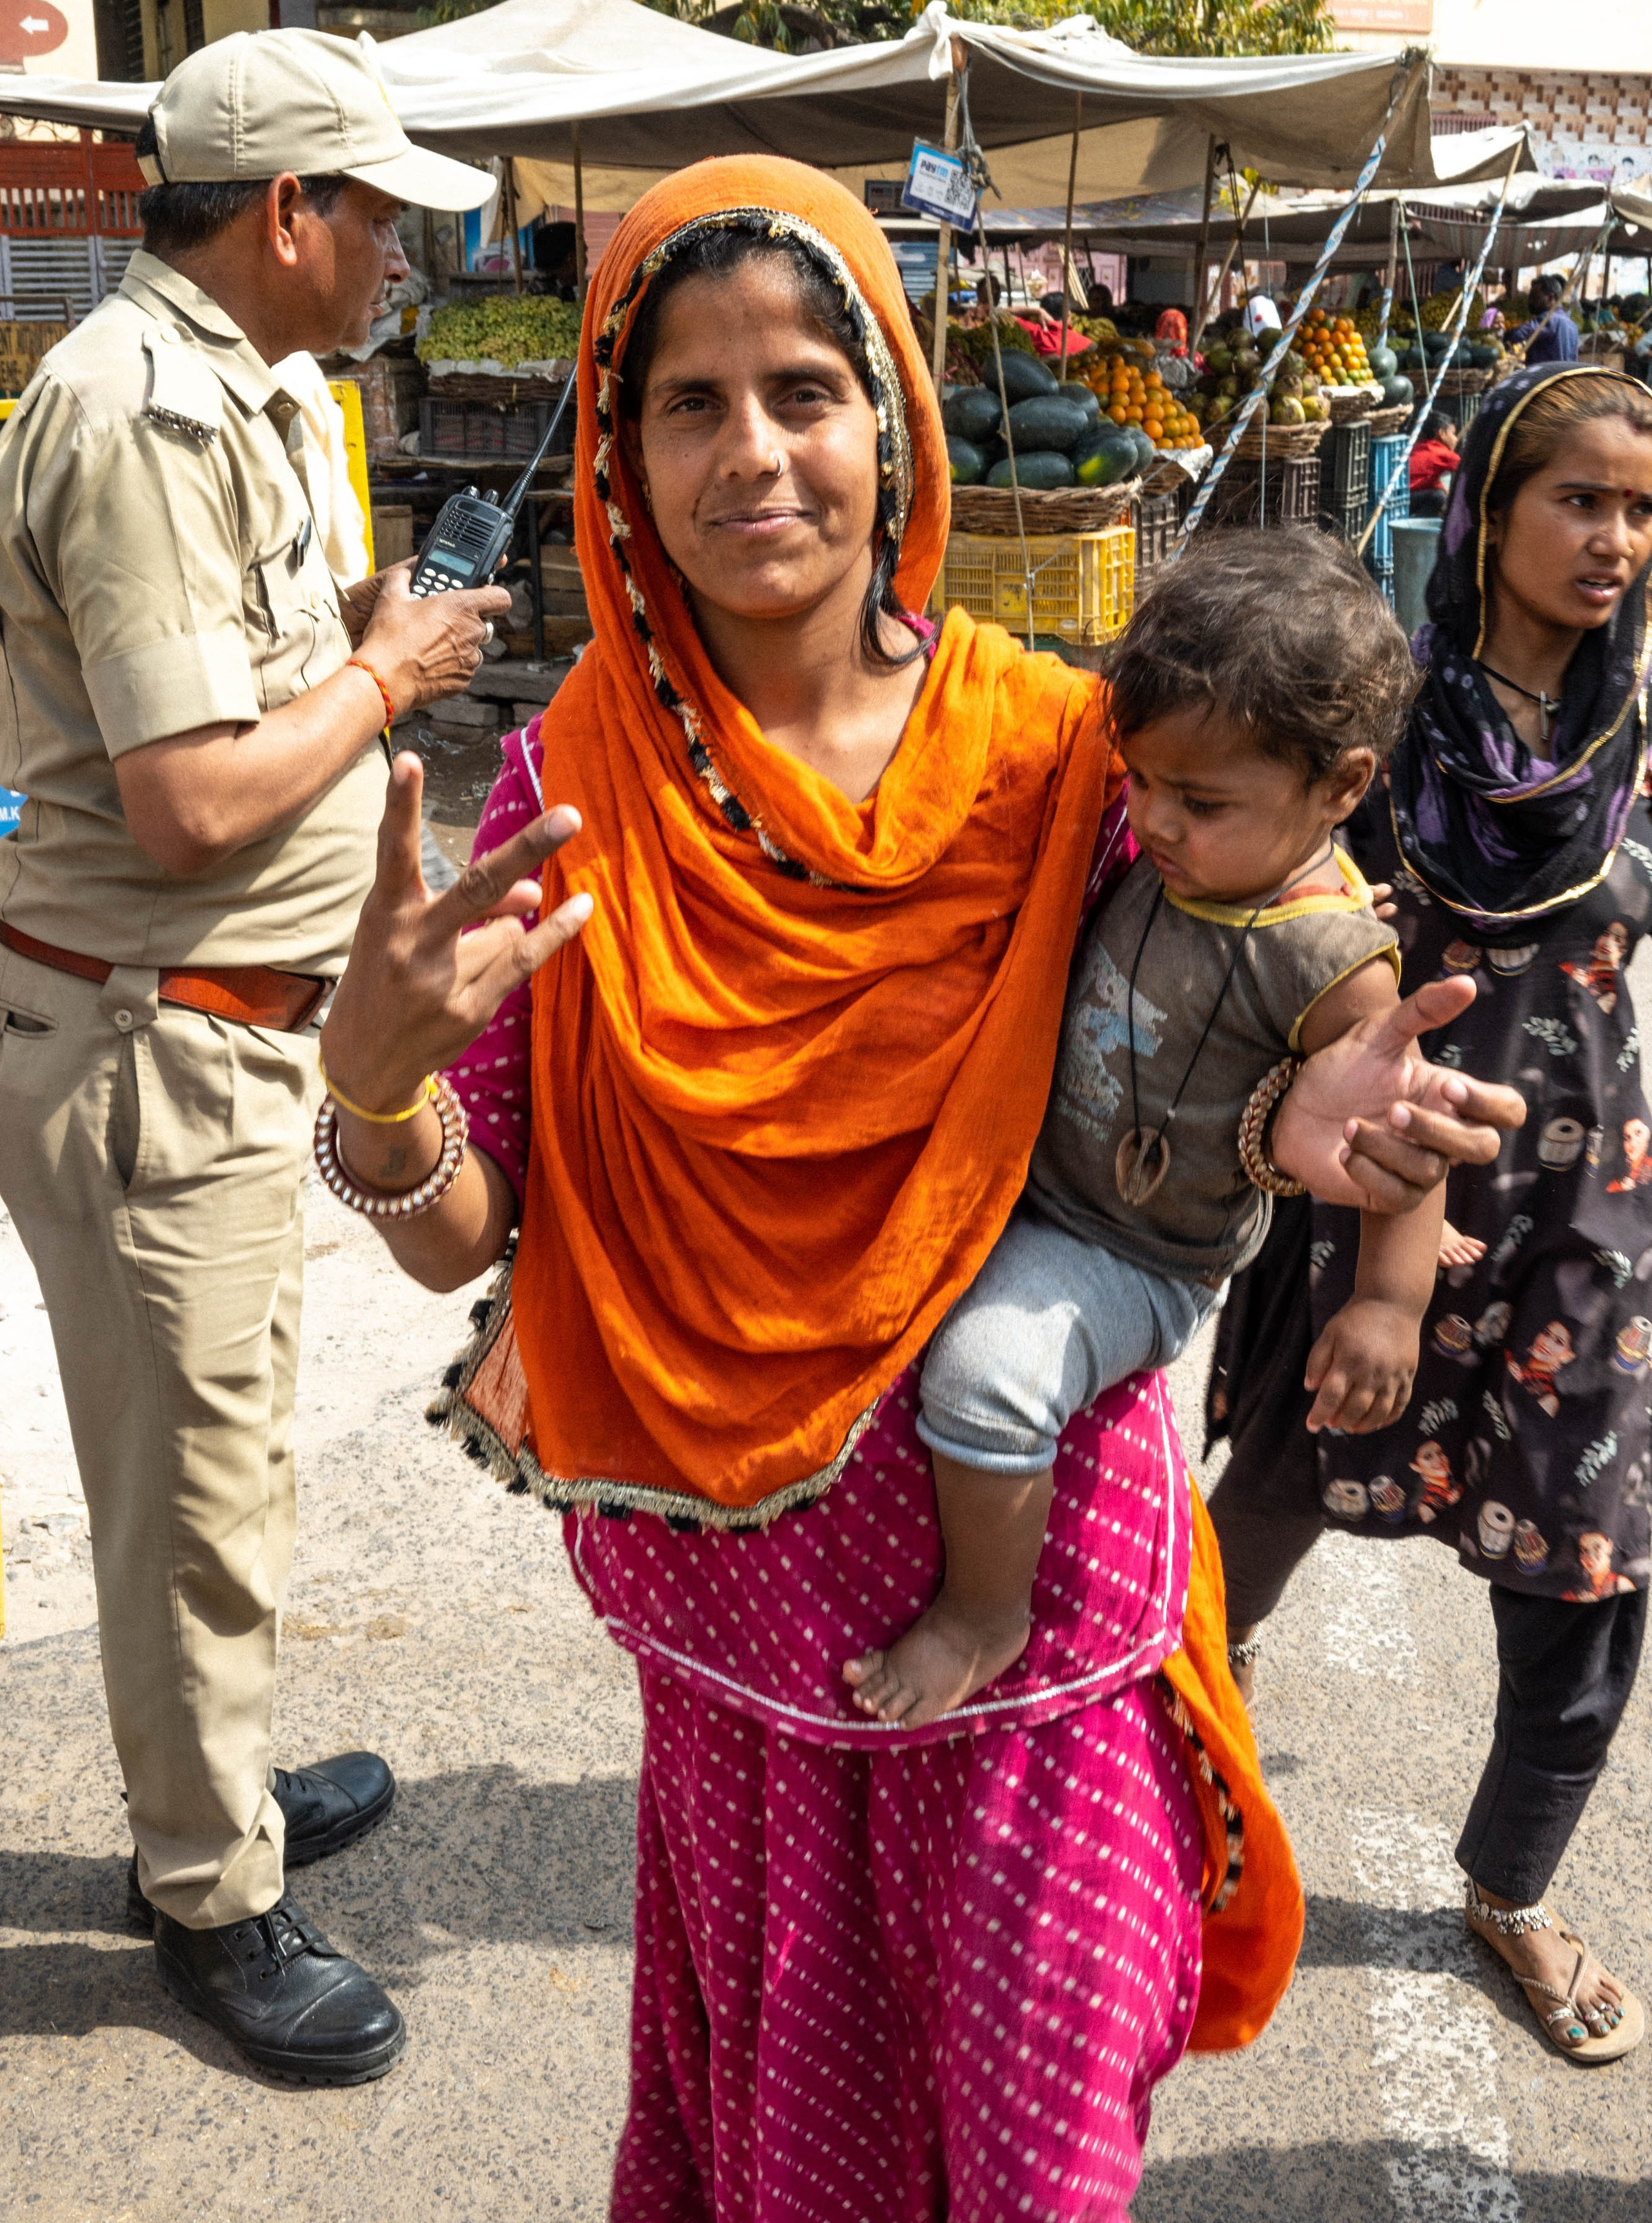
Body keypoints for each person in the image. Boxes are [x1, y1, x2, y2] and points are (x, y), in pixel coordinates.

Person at [314, 157, 1523, 2216]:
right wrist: (370, 1086)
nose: (751, 451)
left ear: (891, 421)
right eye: (686, 404)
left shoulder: (1063, 755)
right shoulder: (571, 789)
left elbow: (1256, 1004)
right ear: (617, 457)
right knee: (802, 2141)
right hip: (746, 1631)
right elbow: (471, 1234)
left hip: (1035, 1612)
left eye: (803, 387)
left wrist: (1300, 1123)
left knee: (1041, 2144)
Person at [0, 29, 504, 2083]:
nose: (400, 251)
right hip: (154, 1042)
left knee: (222, 1463)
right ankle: (209, 1889)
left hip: (224, 1040)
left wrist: (358, 635)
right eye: (378, 213)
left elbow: (241, 675)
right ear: (287, 211)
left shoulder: (254, 389)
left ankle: (211, 1784)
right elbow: (192, 800)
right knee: (190, 1490)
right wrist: (386, 674)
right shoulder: (135, 410)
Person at [1206, 363, 1652, 2069]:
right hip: (1373, 1203)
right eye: (1578, 499)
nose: (1613, 540)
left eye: (1640, 510)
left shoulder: (1632, 738)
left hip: (1581, 1219)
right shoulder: (1383, 728)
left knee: (1585, 1564)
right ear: (1488, 512)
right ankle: (1176, 1777)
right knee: (1259, 1511)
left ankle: (1512, 1887)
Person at [846, 534, 1445, 1731]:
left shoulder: (1331, 959)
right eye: (1144, 781)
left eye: (1202, 801)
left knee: (988, 1377)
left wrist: (1390, 1305)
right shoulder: (1176, 850)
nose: (1158, 821)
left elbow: (1402, 1142)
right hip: (1032, 1179)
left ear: (1341, 787)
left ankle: (985, 1617)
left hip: (1136, 1251)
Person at [1516, 275, 1582, 367]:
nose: (1530, 301)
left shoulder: (1547, 320)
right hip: (1565, 375)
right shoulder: (1573, 326)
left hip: (1544, 375)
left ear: (1551, 298)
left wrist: (1502, 335)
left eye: (1535, 297)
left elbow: (1519, 334)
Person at [1409, 409, 1461, 517]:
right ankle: (1422, 522)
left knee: (1440, 493)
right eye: (1453, 434)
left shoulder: (1418, 447)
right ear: (1442, 434)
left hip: (1406, 497)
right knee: (1438, 497)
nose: (1456, 439)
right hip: (1412, 497)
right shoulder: (1441, 452)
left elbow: (1425, 478)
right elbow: (1467, 468)